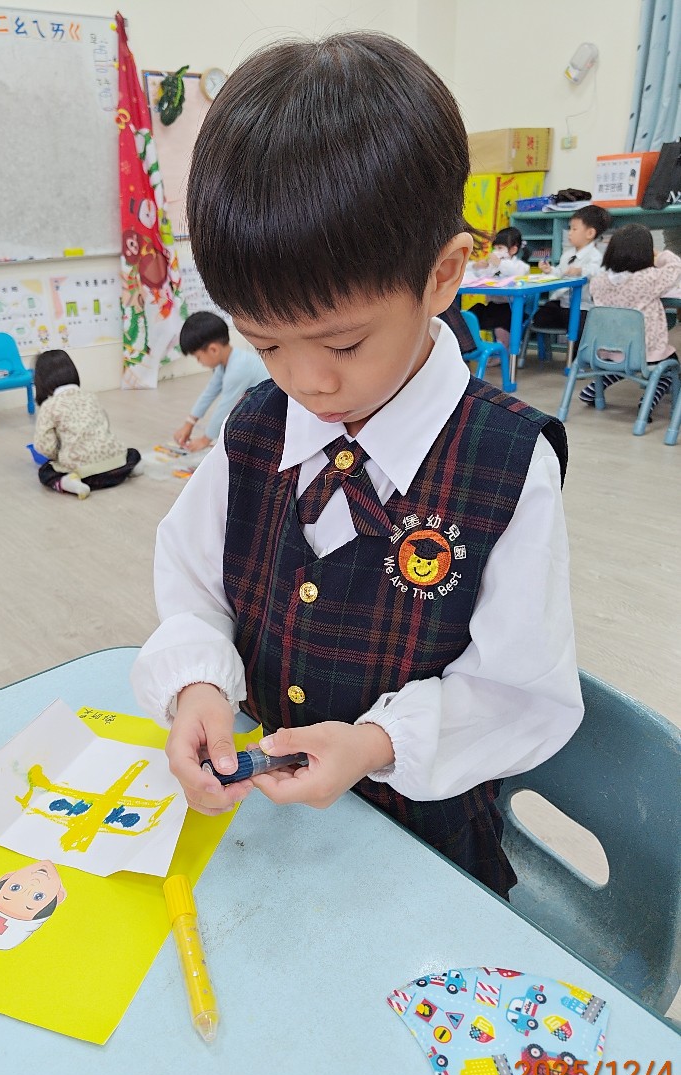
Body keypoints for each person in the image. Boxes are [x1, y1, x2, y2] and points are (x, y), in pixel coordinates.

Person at [131, 32, 583, 900]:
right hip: (269, 832)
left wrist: (377, 743)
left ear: (442, 275)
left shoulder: (506, 461)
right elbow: (192, 586)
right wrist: (197, 684)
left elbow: (520, 693)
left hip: (423, 849)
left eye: (343, 343)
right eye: (266, 343)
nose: (308, 381)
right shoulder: (256, 428)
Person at [577, 223, 681, 415]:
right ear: (645, 254)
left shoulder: (598, 281)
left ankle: (593, 389)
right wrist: (659, 255)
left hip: (605, 350)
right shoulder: (648, 279)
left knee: (621, 364)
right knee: (669, 365)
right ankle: (648, 401)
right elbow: (676, 267)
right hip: (641, 353)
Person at [33, 350, 141, 500]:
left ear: (41, 381)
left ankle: (69, 483)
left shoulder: (49, 406)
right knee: (131, 453)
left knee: (45, 471)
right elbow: (104, 426)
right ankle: (132, 468)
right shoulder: (91, 396)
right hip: (116, 470)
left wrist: (58, 455)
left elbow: (45, 447)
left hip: (86, 476)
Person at [172, 311, 269, 452]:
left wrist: (205, 440)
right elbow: (209, 393)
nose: (199, 362)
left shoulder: (238, 368)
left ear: (213, 350)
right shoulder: (226, 362)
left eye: (198, 357)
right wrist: (189, 423)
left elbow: (225, 407)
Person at [530, 204, 611, 338]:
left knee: (580, 330)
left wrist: (580, 270)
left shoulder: (595, 256)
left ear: (590, 233)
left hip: (582, 307)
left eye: (574, 229)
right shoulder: (568, 254)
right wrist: (549, 270)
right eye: (569, 228)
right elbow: (561, 273)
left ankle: (576, 351)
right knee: (539, 318)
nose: (570, 233)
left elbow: (597, 272)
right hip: (562, 303)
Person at [465, 227, 530, 348]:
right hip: (492, 306)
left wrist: (500, 264)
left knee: (503, 322)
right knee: (470, 315)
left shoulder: (520, 266)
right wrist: (476, 267)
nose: (496, 251)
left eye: (500, 248)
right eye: (495, 248)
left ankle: (502, 351)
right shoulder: (492, 266)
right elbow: (475, 277)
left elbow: (517, 273)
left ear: (513, 249)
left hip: (511, 309)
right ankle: (471, 347)